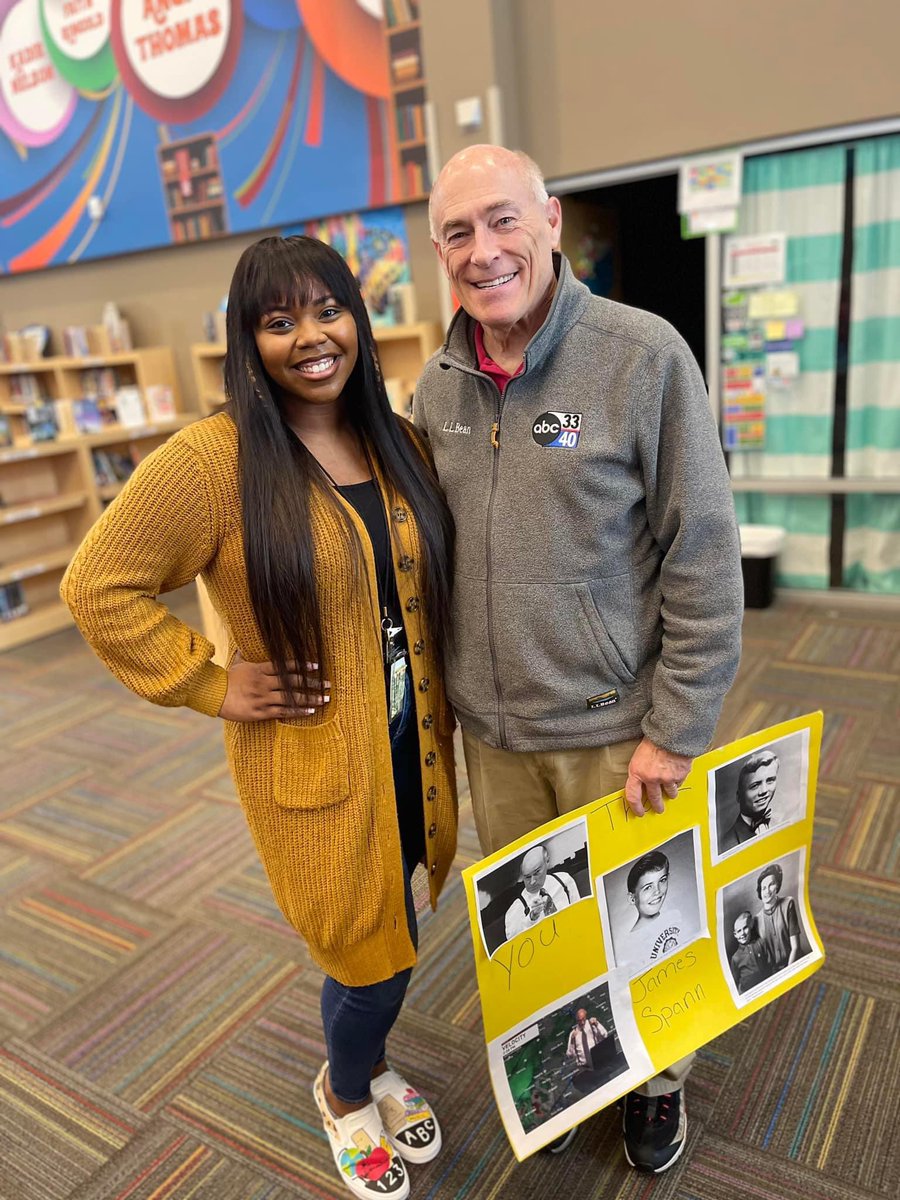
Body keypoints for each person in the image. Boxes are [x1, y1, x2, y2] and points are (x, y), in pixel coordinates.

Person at [61, 235, 458, 1200]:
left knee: (396, 927)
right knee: (366, 959)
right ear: (248, 341)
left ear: (358, 320)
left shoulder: (397, 440)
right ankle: (346, 1091)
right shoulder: (213, 461)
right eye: (279, 322)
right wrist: (209, 681)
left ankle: (372, 1063)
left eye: (328, 311)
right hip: (315, 761)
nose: (310, 337)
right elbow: (97, 584)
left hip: (412, 748)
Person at [415, 144, 744, 1173]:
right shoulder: (437, 387)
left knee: (647, 917)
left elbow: (705, 553)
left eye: (502, 220)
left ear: (550, 221)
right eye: (458, 232)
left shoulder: (641, 356)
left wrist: (676, 729)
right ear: (439, 251)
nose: (484, 250)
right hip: (497, 736)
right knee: (538, 935)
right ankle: (564, 1064)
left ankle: (658, 1084)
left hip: (618, 731)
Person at [621, 850, 684, 970]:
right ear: (632, 898)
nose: (657, 891)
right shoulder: (631, 944)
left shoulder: (675, 916)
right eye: (648, 887)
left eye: (662, 880)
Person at [503, 843, 578, 939]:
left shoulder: (564, 880)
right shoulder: (515, 909)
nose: (532, 881)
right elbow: (515, 943)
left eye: (537, 872)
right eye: (527, 877)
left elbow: (578, 913)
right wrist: (531, 918)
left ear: (547, 861)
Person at [721, 749, 779, 851]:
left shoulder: (779, 822)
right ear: (739, 796)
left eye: (770, 780)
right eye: (755, 785)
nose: (764, 791)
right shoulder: (727, 845)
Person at [756, 864, 801, 971]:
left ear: (777, 885)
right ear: (760, 892)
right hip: (774, 972)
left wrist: (788, 972)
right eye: (763, 888)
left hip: (794, 963)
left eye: (771, 884)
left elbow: (795, 947)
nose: (767, 891)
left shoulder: (788, 903)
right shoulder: (756, 919)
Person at [729, 910, 773, 993]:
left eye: (745, 928)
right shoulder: (735, 958)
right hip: (748, 992)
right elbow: (735, 981)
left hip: (765, 986)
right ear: (735, 935)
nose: (742, 934)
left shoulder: (761, 943)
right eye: (739, 931)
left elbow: (770, 964)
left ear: (751, 926)